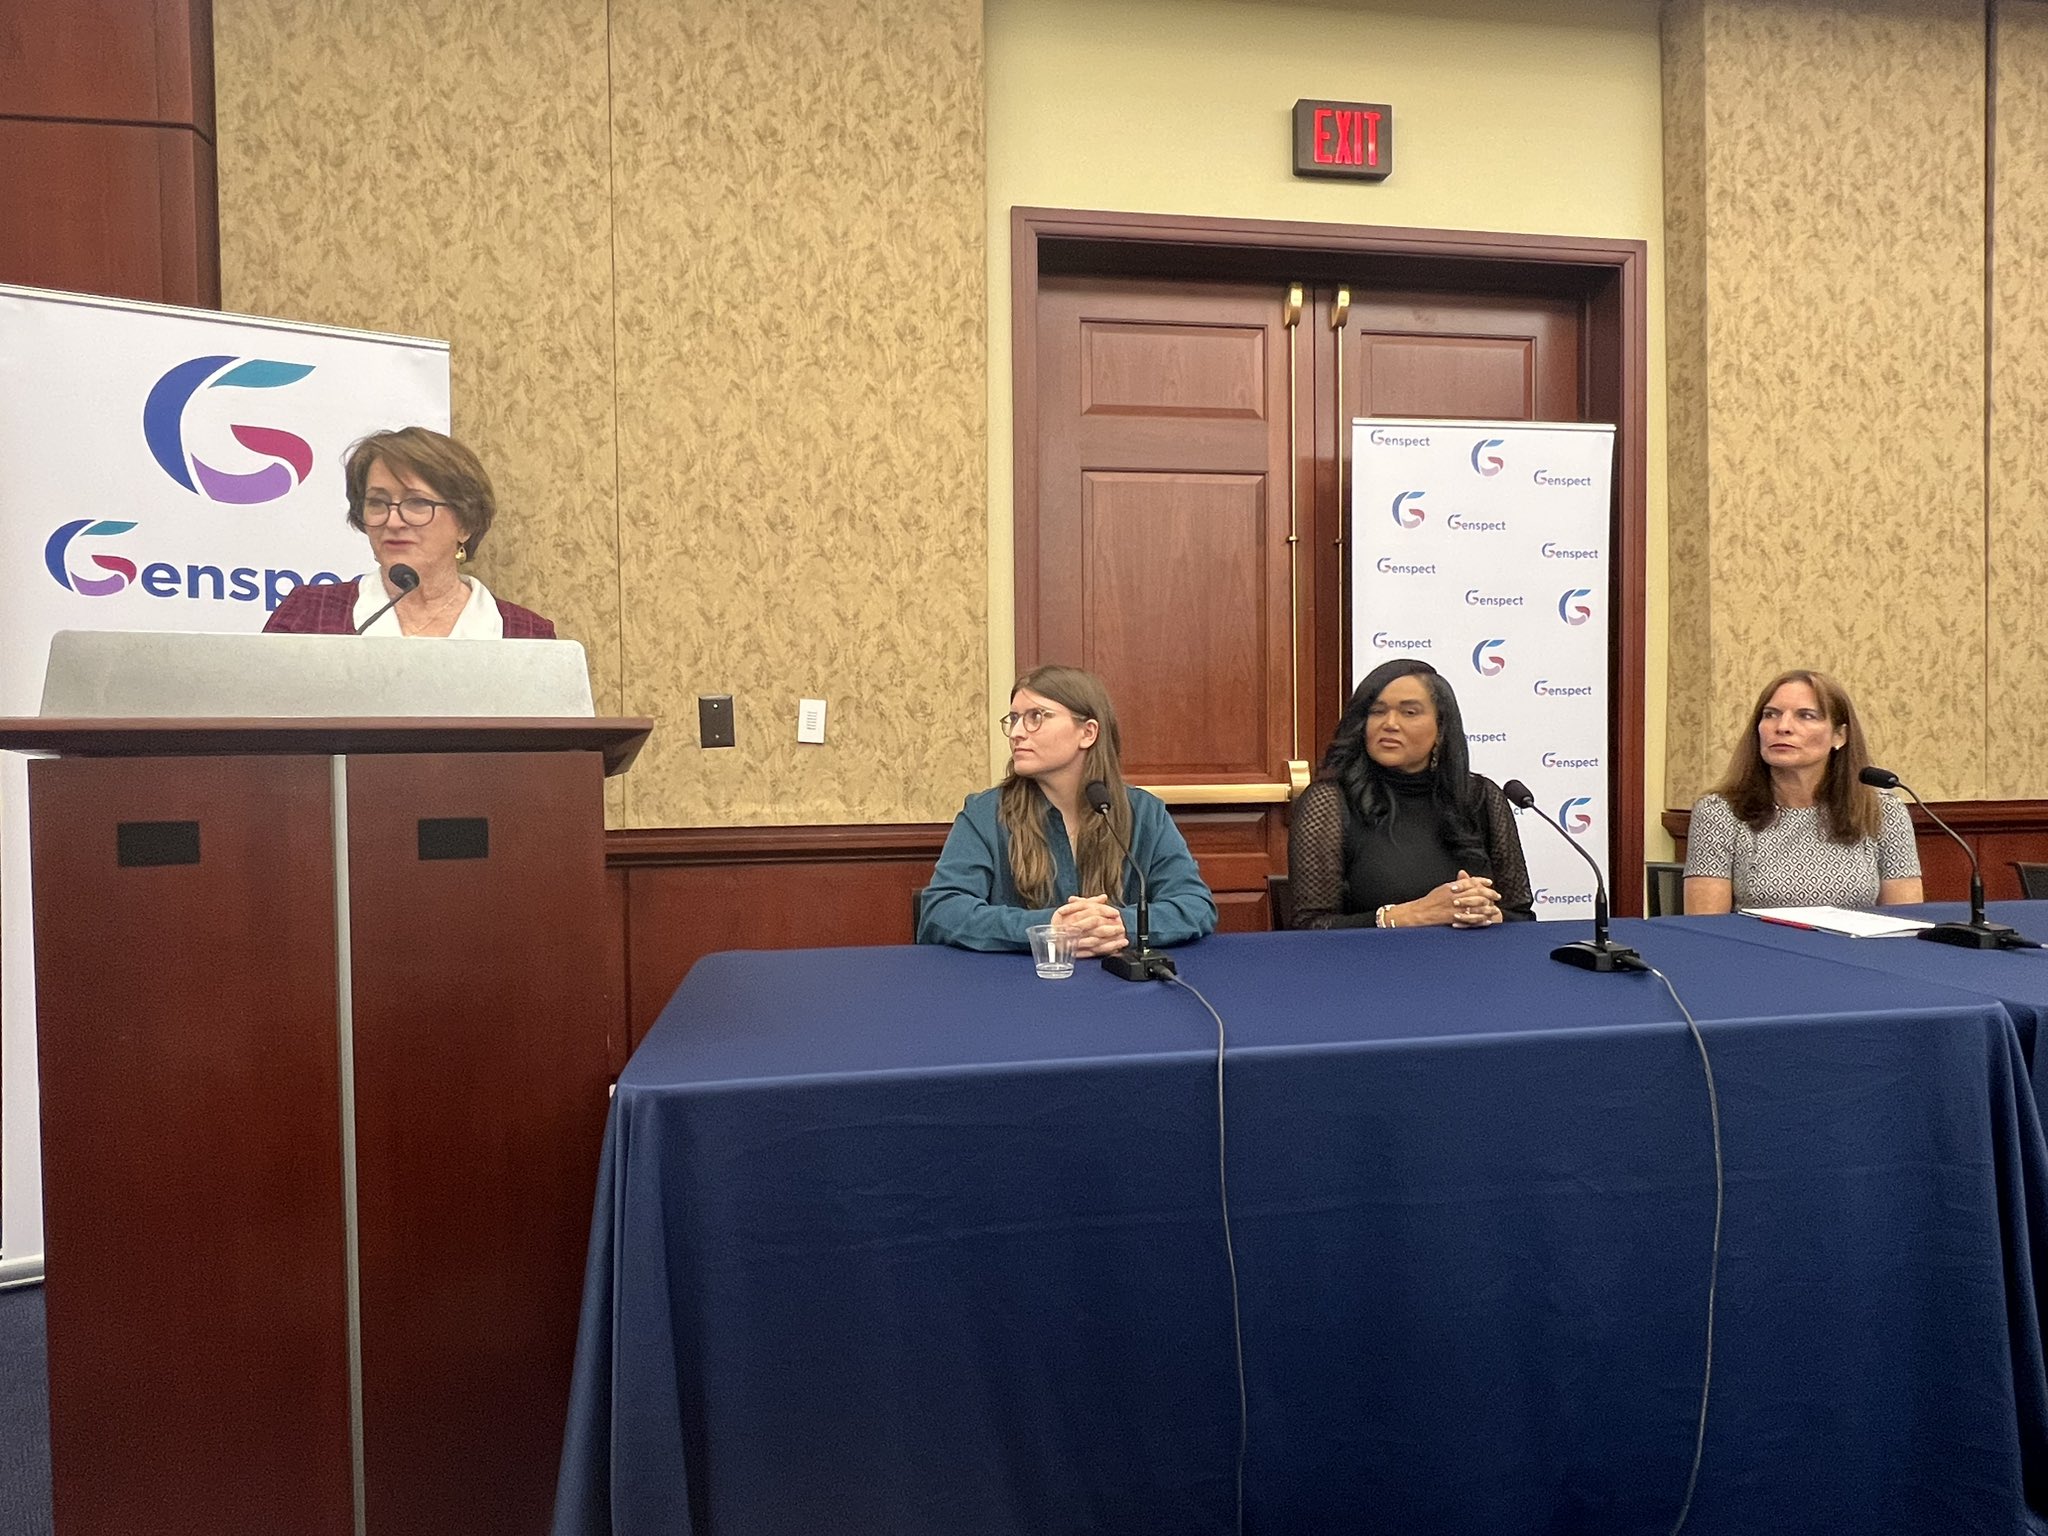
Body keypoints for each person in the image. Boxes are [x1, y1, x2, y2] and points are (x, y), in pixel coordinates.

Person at [917, 665, 1217, 953]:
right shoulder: (985, 813)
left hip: (1117, 979)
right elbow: (943, 911)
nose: (1017, 732)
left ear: (1088, 733)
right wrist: (1048, 928)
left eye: (1036, 717)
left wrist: (1118, 924)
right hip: (1020, 981)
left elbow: (1195, 905)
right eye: (1014, 718)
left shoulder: (1144, 813)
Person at [1289, 658, 1534, 928]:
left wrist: (1486, 913)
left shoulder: (1480, 797)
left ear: (1441, 729)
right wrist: (1407, 915)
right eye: (1377, 711)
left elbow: (1521, 916)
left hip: (1474, 953)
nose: (1390, 723)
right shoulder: (1330, 802)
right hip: (1377, 955)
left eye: (1409, 712)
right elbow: (1310, 925)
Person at [263, 427, 555, 637]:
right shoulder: (307, 615)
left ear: (465, 523)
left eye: (417, 503)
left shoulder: (527, 634)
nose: (393, 521)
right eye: (377, 503)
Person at [1683, 668, 1922, 913]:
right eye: (1771, 714)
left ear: (1839, 736)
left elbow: (1906, 919)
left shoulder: (1884, 811)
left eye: (1806, 716)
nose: (1783, 727)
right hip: (1756, 939)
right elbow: (1705, 924)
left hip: (1855, 940)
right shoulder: (1719, 812)